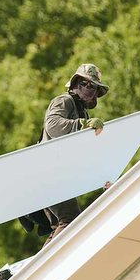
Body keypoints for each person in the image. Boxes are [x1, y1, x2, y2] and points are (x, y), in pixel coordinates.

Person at [38, 63, 108, 243]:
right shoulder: (64, 101)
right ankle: (46, 267)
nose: (90, 90)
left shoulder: (81, 112)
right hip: (50, 173)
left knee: (62, 226)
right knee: (70, 221)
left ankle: (40, 269)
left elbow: (84, 156)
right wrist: (81, 125)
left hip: (56, 175)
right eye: (86, 84)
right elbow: (52, 125)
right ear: (75, 84)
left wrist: (103, 178)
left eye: (94, 87)